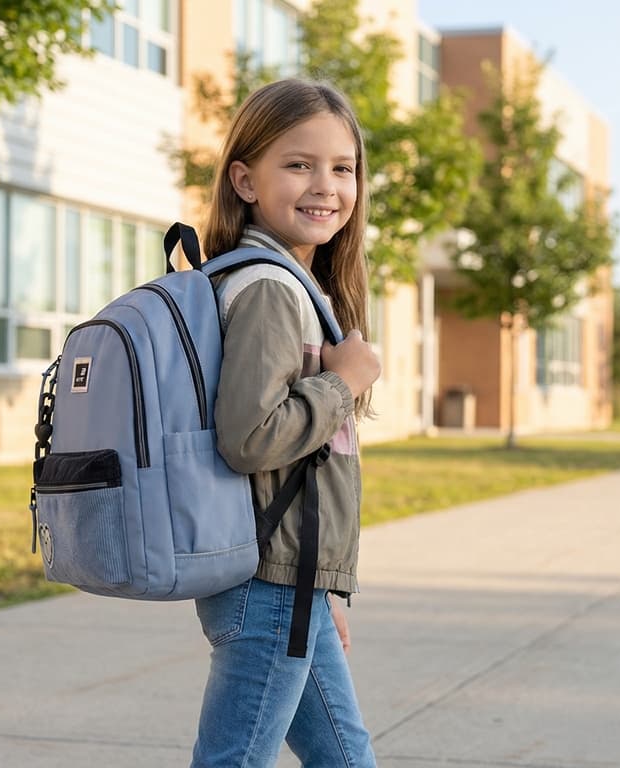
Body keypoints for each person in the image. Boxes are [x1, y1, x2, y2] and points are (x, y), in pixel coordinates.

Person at [191, 78, 382, 768]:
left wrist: (320, 581)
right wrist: (345, 380)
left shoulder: (289, 284)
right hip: (266, 580)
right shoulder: (269, 289)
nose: (324, 185)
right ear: (244, 179)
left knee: (345, 757)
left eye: (342, 167)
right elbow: (250, 438)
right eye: (298, 165)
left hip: (290, 578)